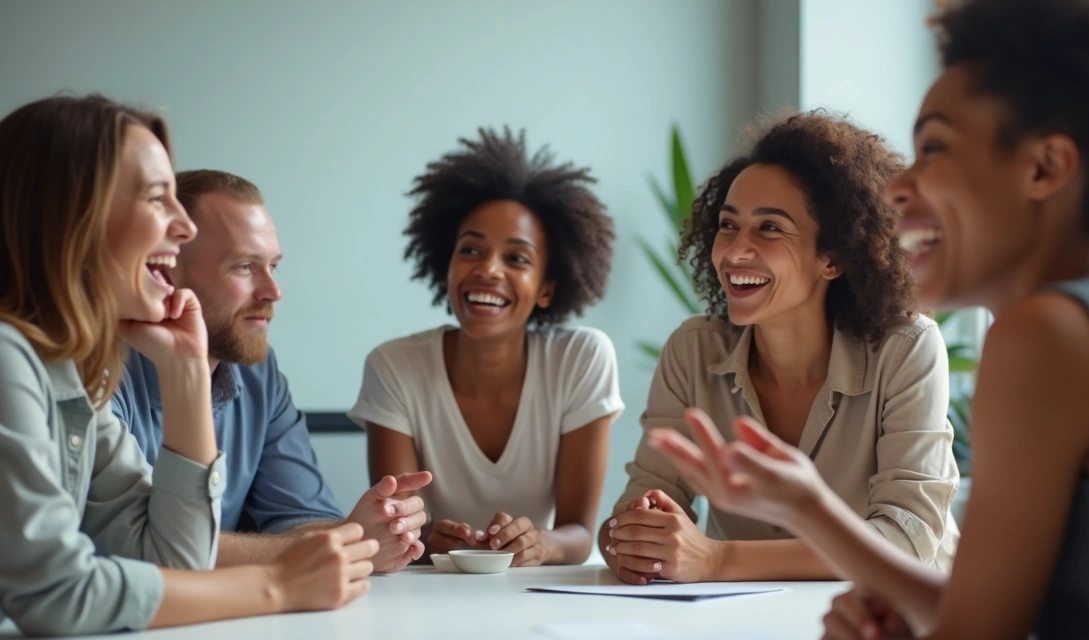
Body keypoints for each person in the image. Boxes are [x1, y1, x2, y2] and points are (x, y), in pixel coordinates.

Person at [646, 0, 1089, 638]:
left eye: (935, 149)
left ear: (1044, 167)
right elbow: (994, 615)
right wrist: (830, 530)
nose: (896, 189)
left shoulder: (1045, 337)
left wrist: (798, 515)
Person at [0, 95, 374, 636]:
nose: (181, 227)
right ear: (71, 217)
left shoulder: (68, 376)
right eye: (158, 199)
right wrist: (279, 585)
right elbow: (57, 593)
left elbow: (172, 560)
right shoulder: (9, 355)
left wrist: (187, 376)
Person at [602, 111, 960, 585]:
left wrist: (715, 560)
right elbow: (637, 509)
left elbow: (907, 541)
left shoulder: (907, 348)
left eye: (769, 229)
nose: (734, 252)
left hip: (895, 619)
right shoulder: (692, 350)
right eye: (728, 226)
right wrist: (633, 536)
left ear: (832, 256)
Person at [112, 170, 430, 573]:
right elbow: (135, 547)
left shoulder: (258, 372)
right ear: (166, 272)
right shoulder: (101, 369)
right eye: (245, 266)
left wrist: (369, 532)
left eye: (273, 266)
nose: (273, 291)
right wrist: (345, 542)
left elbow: (301, 517)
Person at [349, 127, 623, 567]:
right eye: (471, 250)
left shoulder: (581, 359)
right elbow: (399, 530)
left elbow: (578, 535)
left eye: (516, 258)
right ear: (447, 265)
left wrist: (540, 543)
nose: (488, 270)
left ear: (548, 288)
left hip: (535, 593)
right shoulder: (394, 366)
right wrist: (422, 542)